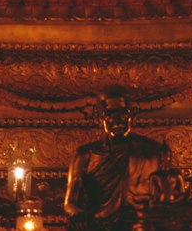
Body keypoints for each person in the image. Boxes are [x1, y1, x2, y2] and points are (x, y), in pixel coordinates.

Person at [64, 92, 164, 230]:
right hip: (98, 224)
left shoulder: (151, 151)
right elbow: (69, 204)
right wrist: (81, 215)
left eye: (123, 114)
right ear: (100, 117)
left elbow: (166, 197)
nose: (117, 120)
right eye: (110, 114)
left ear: (132, 115)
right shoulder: (85, 154)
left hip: (140, 224)